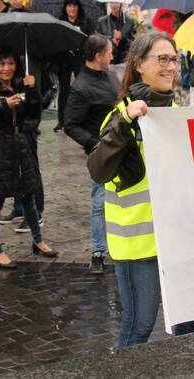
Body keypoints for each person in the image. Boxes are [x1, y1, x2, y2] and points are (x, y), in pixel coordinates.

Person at [87, 31, 194, 347]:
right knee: (139, 327)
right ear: (139, 64)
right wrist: (125, 122)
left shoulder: (179, 117)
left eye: (174, 59)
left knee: (191, 324)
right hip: (139, 246)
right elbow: (98, 170)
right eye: (161, 59)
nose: (170, 67)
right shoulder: (120, 117)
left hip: (180, 242)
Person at [0, 47, 58, 268]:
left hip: (20, 146)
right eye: (1, 64)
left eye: (10, 63)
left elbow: (34, 113)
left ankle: (38, 240)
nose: (6, 68)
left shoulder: (19, 85)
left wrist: (32, 91)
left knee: (28, 196)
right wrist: (4, 105)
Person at [63, 34, 118, 274]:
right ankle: (97, 252)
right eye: (109, 52)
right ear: (98, 56)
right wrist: (94, 144)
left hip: (119, 146)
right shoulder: (81, 87)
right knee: (100, 202)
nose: (112, 56)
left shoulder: (109, 74)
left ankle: (117, 245)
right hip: (101, 152)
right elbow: (70, 124)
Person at [54, 0, 93, 132]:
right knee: (64, 90)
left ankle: (82, 118)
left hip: (79, 59)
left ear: (78, 8)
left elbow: (89, 40)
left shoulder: (85, 22)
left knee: (82, 89)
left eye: (74, 6)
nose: (72, 9)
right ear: (66, 7)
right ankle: (62, 120)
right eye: (69, 6)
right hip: (64, 60)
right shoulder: (60, 22)